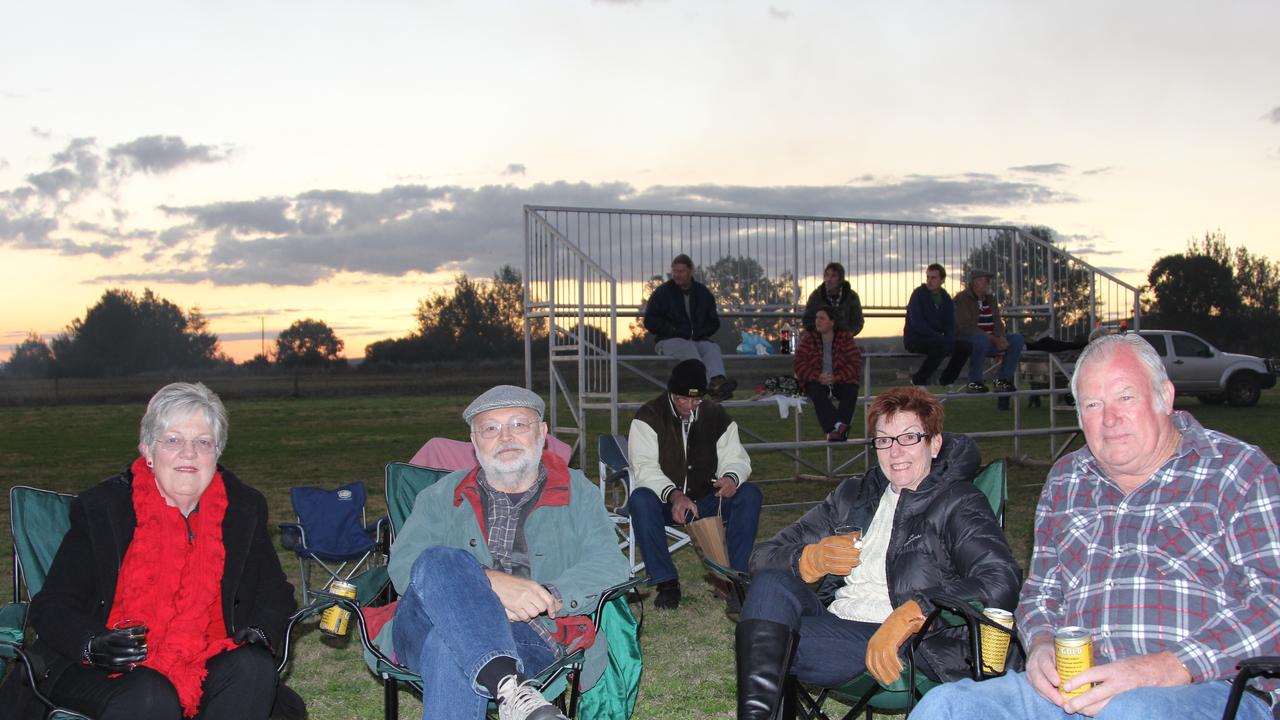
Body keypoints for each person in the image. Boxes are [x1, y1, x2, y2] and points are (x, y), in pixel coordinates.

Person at [911, 333, 1280, 720]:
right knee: (946, 707)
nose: (1109, 418)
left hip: (1203, 689)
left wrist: (1161, 668)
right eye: (1092, 403)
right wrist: (1038, 644)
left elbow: (1271, 603)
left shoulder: (1238, 471)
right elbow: (1041, 592)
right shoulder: (1067, 478)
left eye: (1125, 397)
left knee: (1131, 712)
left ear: (1165, 397)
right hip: (1072, 690)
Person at [736, 386, 1022, 720]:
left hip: (909, 644)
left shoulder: (958, 502)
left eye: (909, 437)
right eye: (885, 440)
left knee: (765, 645)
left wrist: (912, 614)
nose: (895, 452)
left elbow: (1000, 579)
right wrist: (808, 559)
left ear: (935, 443)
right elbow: (761, 557)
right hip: (840, 624)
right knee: (770, 585)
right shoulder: (855, 495)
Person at [16, 382, 297, 720]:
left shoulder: (243, 510)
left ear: (217, 452)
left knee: (252, 668)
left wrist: (263, 631)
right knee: (152, 694)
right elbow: (52, 605)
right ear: (148, 449)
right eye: (173, 440)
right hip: (106, 667)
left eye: (203, 442)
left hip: (203, 660)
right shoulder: (103, 511)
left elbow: (275, 593)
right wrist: (92, 645)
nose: (189, 453)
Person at [382, 385, 629, 720]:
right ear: (474, 441)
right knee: (436, 559)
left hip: (528, 634)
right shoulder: (441, 496)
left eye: (518, 425)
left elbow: (609, 563)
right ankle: (513, 688)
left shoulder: (577, 492)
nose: (505, 437)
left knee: (449, 647)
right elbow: (403, 567)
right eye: (491, 428)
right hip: (422, 625)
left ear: (542, 433)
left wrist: (546, 596)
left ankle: (502, 681)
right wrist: (492, 583)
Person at [628, 358, 761, 610]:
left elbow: (736, 458)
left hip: (706, 498)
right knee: (640, 499)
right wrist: (674, 495)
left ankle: (737, 578)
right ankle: (666, 582)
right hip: (665, 502)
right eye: (683, 399)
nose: (689, 406)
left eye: (696, 400)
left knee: (750, 494)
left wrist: (731, 478)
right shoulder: (648, 416)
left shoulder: (716, 415)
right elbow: (644, 467)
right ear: (672, 392)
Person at [643, 253, 737, 400]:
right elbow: (650, 321)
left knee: (712, 348)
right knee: (690, 349)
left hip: (696, 339)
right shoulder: (662, 293)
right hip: (669, 340)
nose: (676, 275)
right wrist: (674, 330)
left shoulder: (702, 292)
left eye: (681, 271)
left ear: (690, 271)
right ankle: (712, 388)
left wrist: (700, 333)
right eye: (675, 271)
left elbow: (713, 321)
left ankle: (718, 381)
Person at [794, 306, 864, 441]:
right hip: (817, 381)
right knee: (816, 391)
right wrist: (818, 376)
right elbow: (799, 363)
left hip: (839, 380)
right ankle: (840, 427)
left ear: (832, 322)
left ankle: (836, 431)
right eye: (816, 318)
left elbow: (855, 363)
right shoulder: (809, 338)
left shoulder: (845, 338)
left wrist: (836, 377)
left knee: (851, 390)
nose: (817, 321)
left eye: (822, 318)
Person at [954, 269, 1025, 394]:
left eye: (989, 281)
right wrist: (993, 339)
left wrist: (1002, 337)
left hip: (990, 339)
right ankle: (974, 382)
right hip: (968, 339)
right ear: (976, 282)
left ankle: (1003, 380)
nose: (988, 283)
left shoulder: (990, 299)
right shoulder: (961, 298)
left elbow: (997, 320)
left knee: (1017, 339)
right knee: (981, 340)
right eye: (986, 280)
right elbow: (966, 326)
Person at [903, 263, 971, 387]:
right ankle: (919, 379)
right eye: (928, 277)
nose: (929, 281)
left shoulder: (945, 299)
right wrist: (941, 338)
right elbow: (918, 324)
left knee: (965, 347)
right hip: (916, 339)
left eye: (933, 278)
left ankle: (946, 379)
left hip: (937, 339)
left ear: (942, 280)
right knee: (941, 346)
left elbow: (949, 324)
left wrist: (949, 339)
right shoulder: (918, 295)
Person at [802, 262, 864, 335]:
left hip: (843, 341)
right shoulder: (816, 296)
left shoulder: (852, 297)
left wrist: (848, 334)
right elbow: (807, 320)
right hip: (820, 341)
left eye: (833, 276)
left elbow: (858, 322)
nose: (829, 279)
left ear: (840, 280)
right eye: (827, 275)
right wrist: (820, 333)